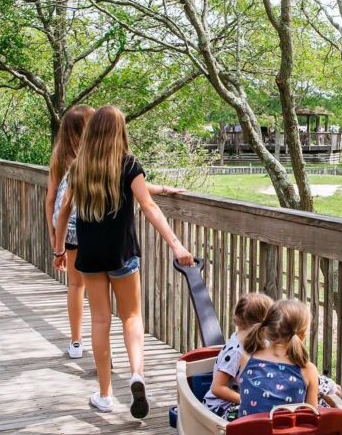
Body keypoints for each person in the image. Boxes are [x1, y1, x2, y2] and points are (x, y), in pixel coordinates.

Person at [53, 105, 194, 417]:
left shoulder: (80, 167)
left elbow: (63, 213)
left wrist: (59, 250)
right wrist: (176, 245)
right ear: (120, 131)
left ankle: (105, 395)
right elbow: (149, 206)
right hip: (123, 254)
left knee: (101, 320)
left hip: (89, 256)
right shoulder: (129, 164)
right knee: (131, 317)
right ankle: (136, 375)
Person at [46, 105, 96, 359]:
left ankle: (76, 342)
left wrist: (55, 238)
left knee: (75, 285)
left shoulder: (59, 157)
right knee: (98, 286)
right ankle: (102, 342)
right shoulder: (95, 157)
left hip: (69, 232)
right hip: (93, 227)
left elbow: (50, 200)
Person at [238, 299, 320, 416]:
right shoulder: (307, 369)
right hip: (286, 434)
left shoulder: (246, 359)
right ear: (302, 336)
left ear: (266, 331)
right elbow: (311, 415)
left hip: (246, 432)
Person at [204, 293, 275, 418]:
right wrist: (246, 401)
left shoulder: (260, 343)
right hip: (223, 408)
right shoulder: (236, 352)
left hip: (248, 399)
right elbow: (217, 388)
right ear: (263, 326)